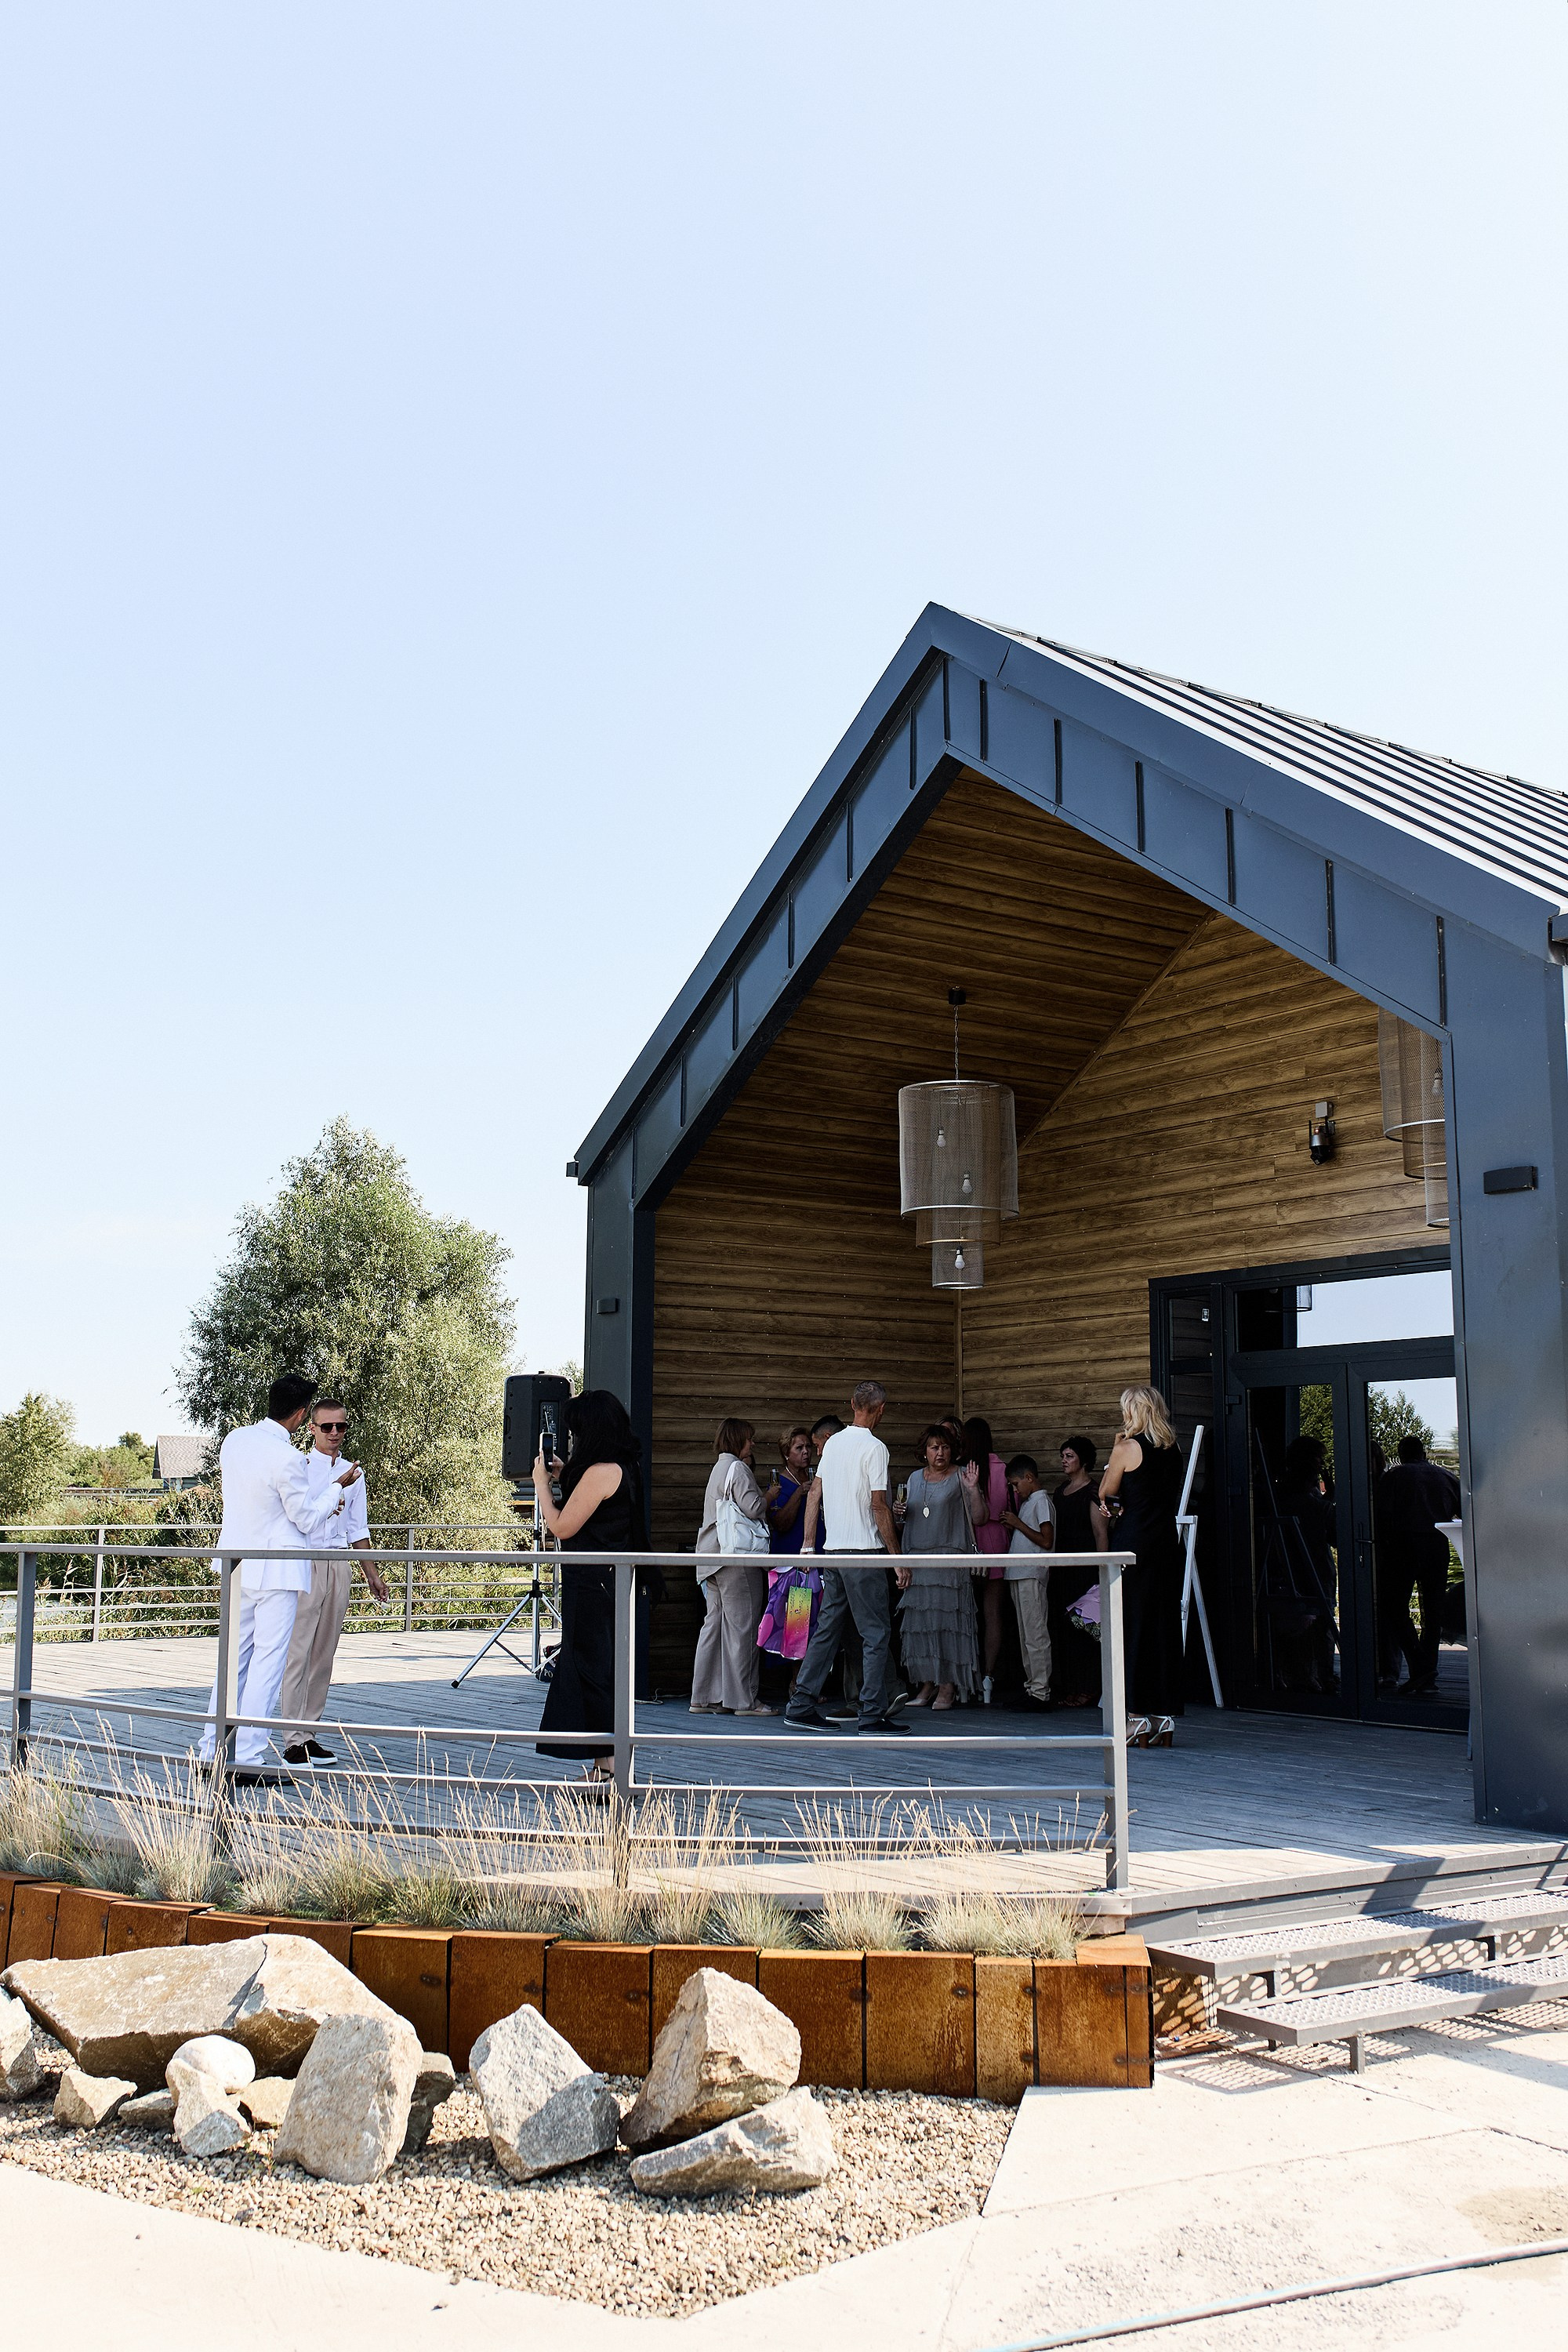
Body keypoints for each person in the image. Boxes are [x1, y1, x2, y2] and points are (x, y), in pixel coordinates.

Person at [197, 1374, 365, 1785]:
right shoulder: (286, 1457)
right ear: (303, 1413)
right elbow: (306, 1518)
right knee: (268, 1665)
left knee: (233, 1662)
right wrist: (336, 1489)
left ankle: (210, 1749)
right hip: (277, 1570)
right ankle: (249, 1758)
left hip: (237, 1565)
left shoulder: (233, 1441)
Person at [534, 1389, 647, 1780]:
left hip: (593, 1584)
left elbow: (563, 1525)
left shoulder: (602, 1470)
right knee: (599, 1669)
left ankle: (611, 1768)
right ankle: (605, 1767)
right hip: (607, 1582)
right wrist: (564, 1474)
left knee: (594, 1671)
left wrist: (541, 1486)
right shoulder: (622, 1466)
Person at [786, 1381, 909, 1736]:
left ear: (852, 1403)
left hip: (832, 1551)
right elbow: (879, 1505)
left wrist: (809, 1545)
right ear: (881, 1410)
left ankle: (801, 1703)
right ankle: (871, 1715)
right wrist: (897, 1558)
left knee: (828, 1630)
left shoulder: (832, 1444)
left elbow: (814, 1496)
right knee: (875, 1634)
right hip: (865, 1554)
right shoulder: (876, 1448)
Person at [278, 1397, 390, 1768]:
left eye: (341, 1427)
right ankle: (291, 1738)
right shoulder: (297, 1467)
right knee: (298, 1653)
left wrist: (371, 1573)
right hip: (306, 1561)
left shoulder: (353, 1472)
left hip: (339, 1562)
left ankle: (309, 1733)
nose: (335, 1434)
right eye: (327, 1427)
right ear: (312, 1428)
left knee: (324, 1653)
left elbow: (358, 1528)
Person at [1098, 1386, 1187, 1746]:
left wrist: (1116, 1447)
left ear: (1132, 1411)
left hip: (1133, 1545)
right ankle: (1163, 1716)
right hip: (1166, 1544)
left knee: (1132, 1626)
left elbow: (1105, 1491)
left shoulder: (1126, 1447)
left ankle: (1135, 1715)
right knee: (1163, 1627)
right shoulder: (1174, 1449)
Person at [691, 1418, 774, 1716]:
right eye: (749, 1439)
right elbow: (753, 1508)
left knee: (713, 1626)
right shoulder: (738, 1468)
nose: (752, 1444)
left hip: (711, 1558)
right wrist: (769, 1497)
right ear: (739, 1439)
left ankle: (703, 1697)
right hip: (736, 1558)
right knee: (743, 1628)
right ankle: (744, 1701)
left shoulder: (718, 1467)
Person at [894, 1425, 980, 1707]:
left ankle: (948, 1686)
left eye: (944, 1447)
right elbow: (903, 1521)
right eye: (934, 1447)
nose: (939, 1452)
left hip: (948, 1560)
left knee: (947, 1624)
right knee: (922, 1624)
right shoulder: (914, 1478)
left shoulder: (960, 1476)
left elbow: (980, 1517)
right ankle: (926, 1683)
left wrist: (973, 1489)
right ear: (925, 1451)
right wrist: (899, 1512)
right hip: (918, 1558)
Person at [1376, 1434, 1461, 1698]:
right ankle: (1427, 1671)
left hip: (1403, 1546)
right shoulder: (1446, 1476)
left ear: (1401, 1454)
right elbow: (1464, 1509)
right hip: (1438, 1544)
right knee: (1432, 1611)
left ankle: (1420, 1667)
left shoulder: (1394, 1477)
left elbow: (1383, 1514)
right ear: (1423, 1453)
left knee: (1394, 1607)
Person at [757, 1425, 824, 1683]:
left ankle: (809, 1682)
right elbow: (780, 1523)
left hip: (817, 1560)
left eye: (808, 1446)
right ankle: (797, 1685)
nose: (806, 1452)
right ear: (787, 1453)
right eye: (799, 1448)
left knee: (816, 1621)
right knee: (798, 1622)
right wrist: (799, 1493)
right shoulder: (779, 1483)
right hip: (792, 1565)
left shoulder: (815, 1477)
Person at [1049, 1436, 1106, 1707]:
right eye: (1063, 1456)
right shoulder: (1061, 1491)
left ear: (1082, 1460)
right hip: (1063, 1570)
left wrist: (1102, 1570)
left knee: (1085, 1630)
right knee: (1065, 1630)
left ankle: (1089, 1688)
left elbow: (1100, 1533)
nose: (1064, 1461)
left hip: (1085, 1571)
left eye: (1069, 1456)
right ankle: (1070, 1686)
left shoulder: (1093, 1492)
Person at [960, 1415, 1010, 1704]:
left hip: (970, 1541)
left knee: (967, 1612)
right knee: (994, 1615)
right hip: (997, 1542)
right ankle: (989, 1676)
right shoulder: (1002, 1468)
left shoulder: (965, 1469)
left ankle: (967, 1676)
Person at [1001, 1453, 1054, 1708]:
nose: (1015, 1489)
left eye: (1015, 1484)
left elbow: (1046, 1540)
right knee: (1026, 1635)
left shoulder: (1041, 1501)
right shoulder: (1029, 1502)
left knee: (1036, 1634)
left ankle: (1041, 1692)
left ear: (1029, 1478)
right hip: (1019, 1574)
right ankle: (1032, 1687)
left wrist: (1018, 1524)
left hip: (1032, 1574)